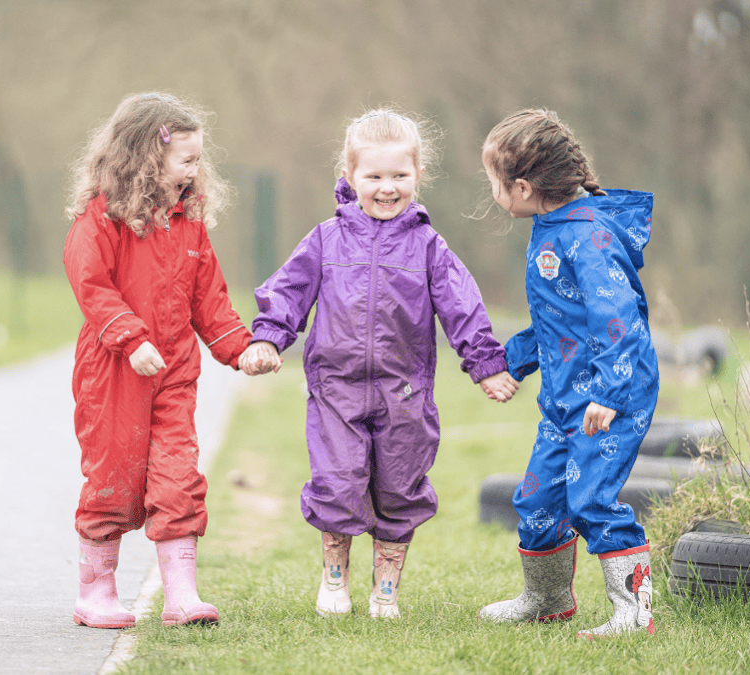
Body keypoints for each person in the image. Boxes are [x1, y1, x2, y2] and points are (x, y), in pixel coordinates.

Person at [238, 109, 514, 619]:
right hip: (336, 390)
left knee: (399, 489)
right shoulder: (325, 239)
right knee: (337, 481)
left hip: (405, 394)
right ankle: (335, 578)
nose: (387, 189)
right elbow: (289, 292)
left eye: (399, 177)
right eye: (374, 177)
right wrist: (268, 341)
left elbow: (462, 306)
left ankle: (385, 588)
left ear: (418, 177)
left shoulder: (429, 247)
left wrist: (486, 364)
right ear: (349, 178)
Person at [63, 92, 266, 629]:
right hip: (113, 373)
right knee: (113, 479)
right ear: (145, 159)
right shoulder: (102, 217)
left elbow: (210, 299)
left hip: (174, 374)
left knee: (178, 478)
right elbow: (91, 284)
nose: (196, 171)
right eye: (187, 160)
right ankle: (96, 592)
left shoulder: (189, 222)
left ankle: (181, 595)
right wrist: (131, 339)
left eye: (199, 161)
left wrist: (239, 349)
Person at [475, 108, 658, 637]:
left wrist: (608, 391)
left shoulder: (588, 239)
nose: (492, 192)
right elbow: (559, 321)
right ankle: (546, 598)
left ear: (525, 187)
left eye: (494, 182)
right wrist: (508, 362)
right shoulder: (549, 226)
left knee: (589, 499)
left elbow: (618, 322)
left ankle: (635, 613)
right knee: (536, 497)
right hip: (564, 398)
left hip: (610, 396)